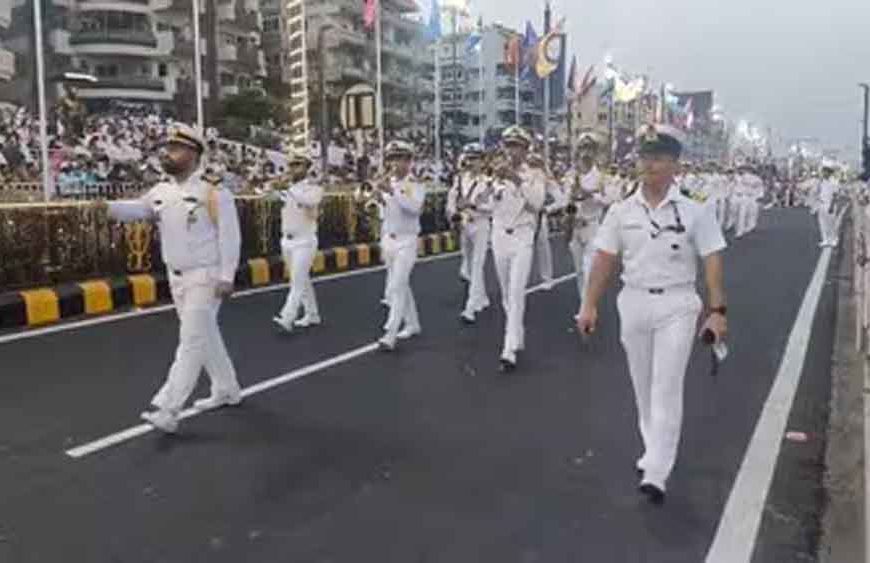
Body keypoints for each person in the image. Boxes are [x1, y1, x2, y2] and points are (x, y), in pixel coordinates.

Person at [576, 123, 728, 504]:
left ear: (675, 165)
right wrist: (589, 304)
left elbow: (712, 261)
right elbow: (604, 260)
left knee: (666, 385)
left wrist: (717, 310)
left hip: (678, 303)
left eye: (659, 158)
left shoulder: (696, 210)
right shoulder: (620, 211)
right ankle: (652, 448)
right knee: (642, 385)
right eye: (645, 158)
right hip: (634, 302)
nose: (650, 165)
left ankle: (659, 468)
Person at [97, 124, 243, 433]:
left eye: (176, 149)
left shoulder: (213, 191)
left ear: (193, 155)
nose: (168, 154)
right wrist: (105, 208)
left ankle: (168, 408)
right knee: (205, 336)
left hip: (205, 275)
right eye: (168, 148)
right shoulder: (162, 191)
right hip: (176, 276)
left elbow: (230, 236)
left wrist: (227, 276)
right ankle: (226, 388)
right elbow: (139, 209)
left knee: (190, 340)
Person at [490, 126, 545, 371]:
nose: (512, 151)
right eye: (509, 146)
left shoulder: (534, 175)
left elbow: (537, 203)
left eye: (517, 146)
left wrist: (517, 180)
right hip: (499, 235)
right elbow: (488, 204)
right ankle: (517, 336)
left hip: (523, 235)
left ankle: (508, 348)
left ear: (525, 149)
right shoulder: (495, 174)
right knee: (504, 293)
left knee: (516, 291)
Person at [375, 140, 425, 351]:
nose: (397, 163)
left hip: (407, 240)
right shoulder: (389, 183)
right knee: (401, 285)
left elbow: (414, 209)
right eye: (393, 159)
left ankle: (391, 333)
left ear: (409, 161)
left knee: (396, 285)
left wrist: (393, 193)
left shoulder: (416, 184)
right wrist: (380, 199)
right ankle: (412, 324)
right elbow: (386, 215)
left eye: (402, 159)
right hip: (390, 239)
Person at [269, 150, 324, 332]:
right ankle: (312, 314)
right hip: (287, 241)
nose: (292, 169)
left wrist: (287, 188)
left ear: (307, 167)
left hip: (305, 241)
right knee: (302, 280)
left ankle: (287, 317)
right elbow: (269, 197)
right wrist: (271, 188)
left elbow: (308, 201)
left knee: (297, 282)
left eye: (297, 165)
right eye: (291, 165)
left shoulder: (314, 188)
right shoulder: (288, 190)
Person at [447, 143, 493, 324]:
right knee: (467, 264)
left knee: (477, 264)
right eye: (469, 158)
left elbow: (491, 208)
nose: (472, 162)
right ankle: (482, 298)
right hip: (464, 224)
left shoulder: (488, 183)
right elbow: (451, 199)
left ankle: (470, 308)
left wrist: (473, 205)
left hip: (480, 225)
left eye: (476, 158)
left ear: (483, 161)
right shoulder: (459, 179)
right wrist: (453, 214)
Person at [565, 133, 607, 306]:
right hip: (575, 226)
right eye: (583, 148)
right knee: (579, 271)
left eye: (590, 148)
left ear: (595, 152)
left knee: (589, 268)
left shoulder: (602, 176)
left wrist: (589, 194)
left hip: (592, 225)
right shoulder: (571, 175)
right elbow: (566, 200)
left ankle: (587, 307)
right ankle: (585, 302)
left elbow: (609, 200)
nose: (586, 152)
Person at [816, 165, 841, 248]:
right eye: (823, 172)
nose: (823, 173)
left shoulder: (834, 181)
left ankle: (834, 239)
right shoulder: (821, 181)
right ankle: (825, 239)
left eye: (825, 172)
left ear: (829, 172)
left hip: (830, 203)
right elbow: (818, 192)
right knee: (822, 223)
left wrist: (832, 205)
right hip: (821, 203)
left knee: (831, 223)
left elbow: (835, 194)